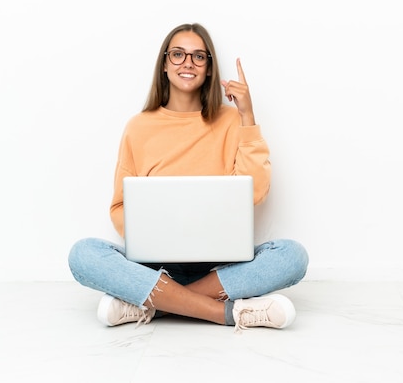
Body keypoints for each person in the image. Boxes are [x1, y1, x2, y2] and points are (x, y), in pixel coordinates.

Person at [68, 23, 309, 331]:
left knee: (292, 256)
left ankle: (151, 305)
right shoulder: (138, 127)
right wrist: (154, 235)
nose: (187, 63)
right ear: (165, 64)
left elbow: (255, 191)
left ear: (209, 68)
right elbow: (119, 208)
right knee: (83, 254)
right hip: (154, 267)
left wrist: (248, 116)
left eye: (198, 57)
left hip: (218, 268)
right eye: (178, 54)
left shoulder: (230, 120)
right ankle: (227, 313)